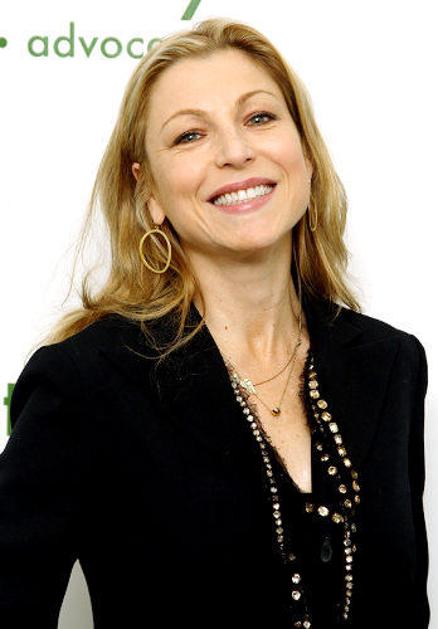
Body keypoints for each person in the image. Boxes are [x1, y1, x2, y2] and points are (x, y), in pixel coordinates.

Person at [0, 17, 429, 629]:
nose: (234, 151)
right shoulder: (84, 384)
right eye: (190, 135)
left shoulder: (391, 362)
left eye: (259, 117)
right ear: (149, 192)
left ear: (305, 154)